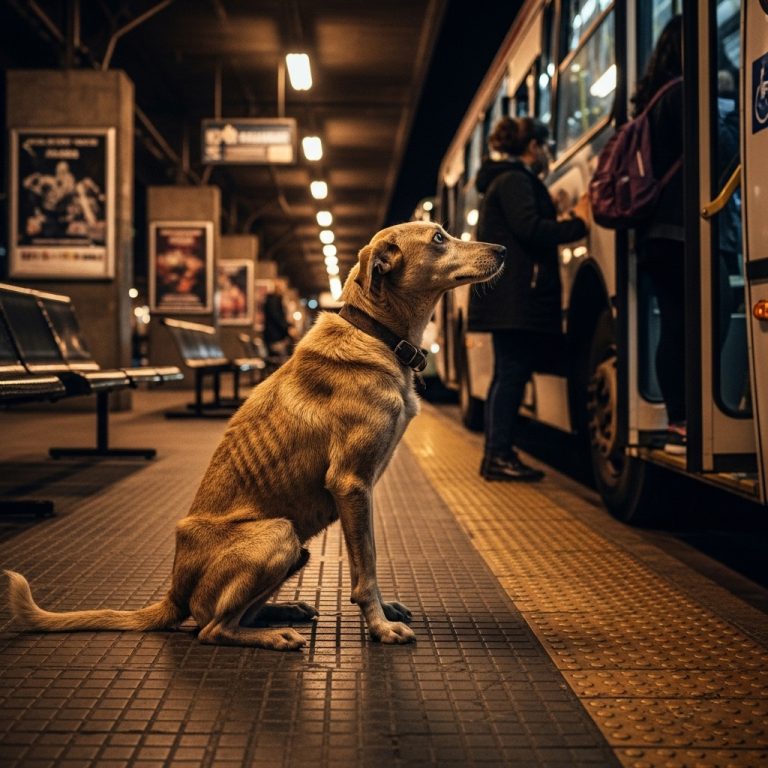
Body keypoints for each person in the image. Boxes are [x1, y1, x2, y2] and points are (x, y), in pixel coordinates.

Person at [469, 115, 589, 482]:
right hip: (517, 298)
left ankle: (496, 453)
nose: (548, 153)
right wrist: (579, 222)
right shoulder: (515, 180)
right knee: (512, 374)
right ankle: (498, 455)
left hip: (509, 297)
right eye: (546, 146)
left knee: (507, 374)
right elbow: (531, 229)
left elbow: (523, 220)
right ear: (533, 147)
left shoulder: (505, 180)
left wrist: (549, 203)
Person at [631, 15, 685, 454]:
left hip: (656, 234)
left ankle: (678, 418)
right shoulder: (686, 94)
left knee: (673, 323)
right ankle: (684, 417)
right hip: (683, 230)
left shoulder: (651, 100)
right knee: (702, 322)